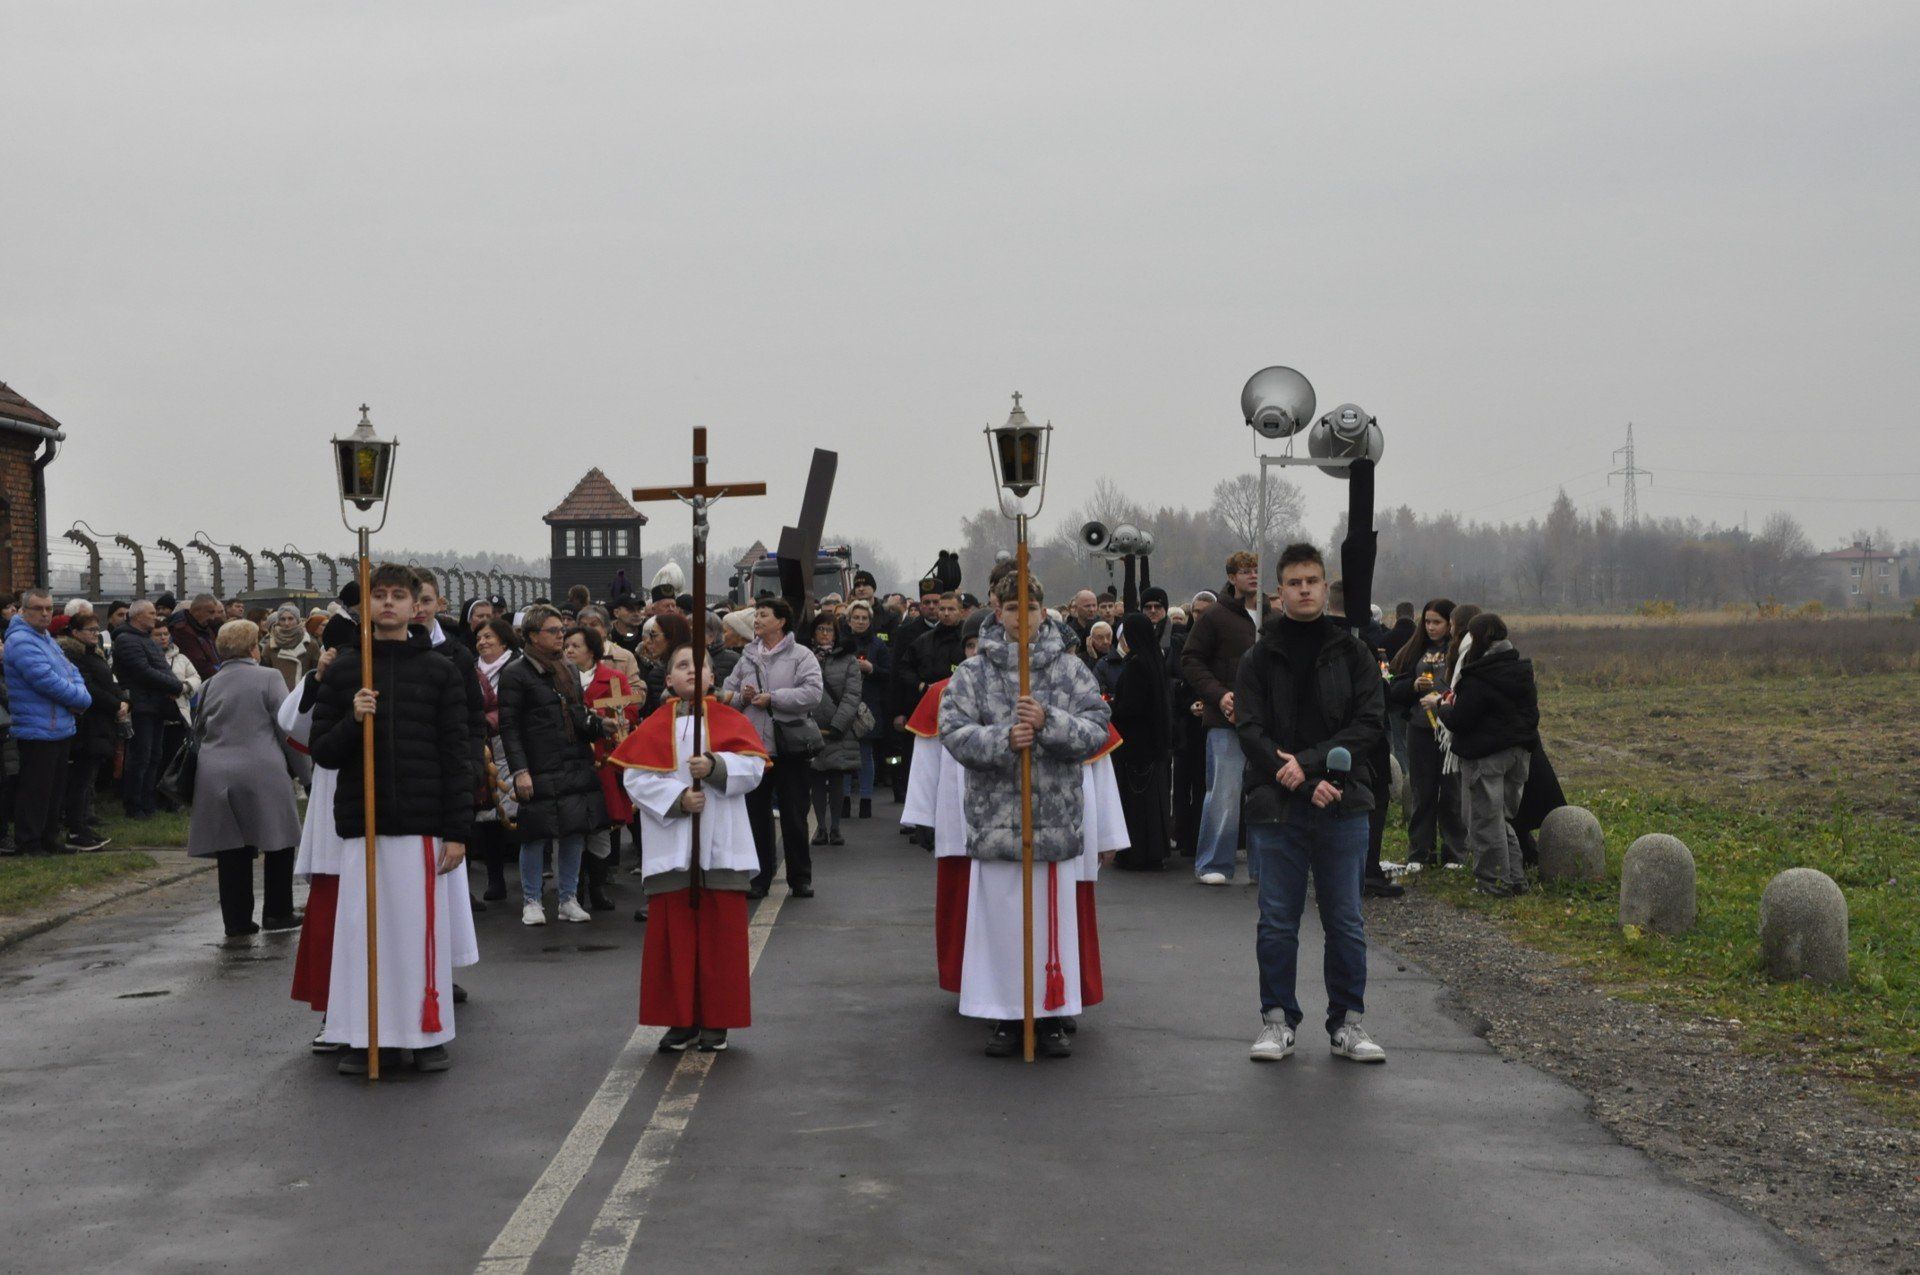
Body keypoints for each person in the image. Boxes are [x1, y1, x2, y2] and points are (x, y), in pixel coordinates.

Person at [310, 563, 474, 1074]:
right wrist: (352, 719)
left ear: (415, 605)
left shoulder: (441, 670)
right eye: (377, 595)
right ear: (364, 605)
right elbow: (323, 752)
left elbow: (456, 754)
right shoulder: (344, 673)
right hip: (366, 824)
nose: (387, 604)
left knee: (416, 933)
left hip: (422, 825)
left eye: (398, 596)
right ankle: (365, 1037)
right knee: (365, 933)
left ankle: (424, 1037)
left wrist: (458, 831)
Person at [940, 569, 1111, 1059]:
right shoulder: (973, 672)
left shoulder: (1069, 668)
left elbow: (1098, 728)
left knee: (1051, 924)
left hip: (1053, 817)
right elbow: (952, 730)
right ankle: (1006, 1015)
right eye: (1012, 608)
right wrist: (1001, 739)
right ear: (999, 612)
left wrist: (1049, 722)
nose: (1022, 616)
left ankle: (1053, 1014)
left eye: (1030, 608)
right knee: (1001, 923)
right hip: (997, 819)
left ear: (1043, 612)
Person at [1236, 544, 1388, 1066]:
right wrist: (1300, 780)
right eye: (1294, 581)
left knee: (1344, 919)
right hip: (1278, 806)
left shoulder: (1354, 653)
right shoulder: (1258, 657)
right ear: (1278, 592)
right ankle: (1276, 1022)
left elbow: (1369, 724)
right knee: (1278, 919)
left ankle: (1348, 1023)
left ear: (1326, 588)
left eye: (1313, 580)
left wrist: (1310, 765)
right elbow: (1250, 731)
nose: (1304, 589)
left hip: (1344, 804)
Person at [614, 641, 768, 1052]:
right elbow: (635, 778)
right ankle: (679, 1020)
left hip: (720, 846)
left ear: (713, 677)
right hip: (673, 850)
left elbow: (753, 768)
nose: (691, 672)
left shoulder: (730, 719)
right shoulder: (654, 725)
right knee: (675, 943)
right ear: (668, 679)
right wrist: (679, 799)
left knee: (722, 942)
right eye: (681, 665)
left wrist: (717, 767)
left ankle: (717, 1020)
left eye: (699, 666)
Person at [189, 620, 307, 938]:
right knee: (279, 841)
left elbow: (198, 731)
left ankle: (237, 921)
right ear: (253, 648)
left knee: (231, 848)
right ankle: (278, 912)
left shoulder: (208, 684)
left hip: (215, 774)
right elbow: (287, 728)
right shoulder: (268, 678)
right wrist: (305, 774)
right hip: (262, 770)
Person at [499, 605, 611, 926]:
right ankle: (532, 900)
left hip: (573, 760)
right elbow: (510, 727)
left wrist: (599, 726)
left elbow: (577, 713)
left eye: (562, 630)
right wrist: (520, 771)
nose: (562, 635)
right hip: (537, 765)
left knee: (574, 832)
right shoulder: (515, 674)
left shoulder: (569, 669)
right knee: (536, 834)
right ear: (532, 635)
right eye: (554, 631)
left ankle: (568, 899)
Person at [719, 596, 823, 898]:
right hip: (754, 749)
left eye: (764, 615)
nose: (757, 620)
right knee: (756, 817)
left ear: (781, 621)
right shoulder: (746, 656)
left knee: (794, 815)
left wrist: (773, 698)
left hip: (790, 748)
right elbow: (728, 690)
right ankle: (758, 878)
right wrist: (743, 698)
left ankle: (800, 878)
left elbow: (813, 693)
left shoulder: (802, 655)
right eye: (757, 616)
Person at [1430, 612, 1539, 897]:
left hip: (1486, 756)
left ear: (1478, 639)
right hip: (1519, 754)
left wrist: (1441, 706)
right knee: (1501, 818)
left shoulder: (1479, 676)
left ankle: (1493, 884)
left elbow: (1460, 720)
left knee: (1484, 821)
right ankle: (1515, 878)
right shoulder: (1520, 670)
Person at [1180, 551, 1263, 885]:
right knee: (1225, 792)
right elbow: (1191, 659)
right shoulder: (1215, 616)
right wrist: (1218, 694)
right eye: (1246, 571)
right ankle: (1213, 862)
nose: (1253, 576)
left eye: (1257, 570)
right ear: (1232, 577)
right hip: (1225, 717)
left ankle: (1264, 866)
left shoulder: (1271, 614)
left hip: (1265, 719)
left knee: (1264, 793)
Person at [4, 589, 90, 856]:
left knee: (54, 790)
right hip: (36, 727)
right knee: (36, 790)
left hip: (59, 725)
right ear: (23, 610)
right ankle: (29, 841)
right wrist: (81, 699)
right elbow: (45, 681)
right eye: (38, 608)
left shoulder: (46, 639)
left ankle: (50, 838)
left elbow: (71, 671)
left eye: (49, 608)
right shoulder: (21, 640)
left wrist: (81, 695)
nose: (44, 613)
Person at [565, 623, 640, 912]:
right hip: (572, 758)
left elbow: (629, 711)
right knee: (574, 825)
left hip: (602, 759)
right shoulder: (560, 676)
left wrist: (604, 718)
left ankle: (596, 886)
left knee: (600, 824)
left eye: (576, 646)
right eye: (567, 645)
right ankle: (574, 888)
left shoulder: (613, 679)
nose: (570, 651)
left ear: (592, 651)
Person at [1385, 599, 1465, 868]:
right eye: (1427, 622)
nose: (1431, 627)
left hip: (1449, 731)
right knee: (1422, 791)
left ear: (1449, 624)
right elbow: (1392, 687)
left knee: (1451, 792)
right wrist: (1412, 686)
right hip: (1419, 729)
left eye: (1437, 622)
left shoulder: (1459, 652)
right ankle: (1421, 852)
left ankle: (1455, 852)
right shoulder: (1414, 650)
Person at [58, 614, 126, 851]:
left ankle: (83, 824)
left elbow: (109, 680)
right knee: (81, 779)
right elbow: (90, 689)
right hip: (88, 725)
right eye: (90, 630)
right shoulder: (73, 656)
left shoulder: (93, 653)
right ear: (75, 632)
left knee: (88, 780)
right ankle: (76, 827)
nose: (95, 634)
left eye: (97, 630)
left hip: (103, 723)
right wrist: (115, 704)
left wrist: (122, 700)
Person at [1108, 613, 1171, 871]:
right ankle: (1153, 850)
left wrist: (1111, 705)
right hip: (1151, 744)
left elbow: (1131, 707)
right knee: (1149, 801)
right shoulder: (1154, 661)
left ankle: (1136, 853)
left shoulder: (1136, 665)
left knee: (1135, 802)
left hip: (1135, 745)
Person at [112, 600, 183, 819]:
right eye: (151, 613)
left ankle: (148, 801)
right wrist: (173, 685)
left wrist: (174, 684)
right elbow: (143, 671)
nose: (155, 616)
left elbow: (161, 666)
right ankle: (134, 804)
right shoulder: (127, 640)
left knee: (154, 755)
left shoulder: (144, 638)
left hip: (156, 704)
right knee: (140, 757)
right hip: (141, 705)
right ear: (137, 616)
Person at [468, 617, 522, 903]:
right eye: (479, 638)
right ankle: (495, 878)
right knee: (488, 815)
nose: (483, 642)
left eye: (489, 637)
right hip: (485, 748)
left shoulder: (517, 667)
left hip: (514, 746)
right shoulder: (472, 671)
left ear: (504, 640)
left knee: (521, 813)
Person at [806, 612, 864, 847]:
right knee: (817, 778)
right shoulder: (805, 657)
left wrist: (838, 724)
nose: (825, 634)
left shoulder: (848, 659)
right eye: (820, 629)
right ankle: (820, 827)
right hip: (812, 727)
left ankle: (836, 827)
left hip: (839, 728)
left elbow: (852, 695)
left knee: (837, 776)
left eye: (829, 630)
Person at [844, 599, 891, 819]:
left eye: (864, 618)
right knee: (843, 755)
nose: (860, 622)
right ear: (849, 620)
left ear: (870, 621)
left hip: (869, 704)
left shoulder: (878, 646)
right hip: (843, 703)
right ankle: (843, 799)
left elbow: (888, 673)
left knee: (865, 754)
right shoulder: (841, 642)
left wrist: (871, 669)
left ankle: (865, 800)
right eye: (856, 618)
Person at [262, 604, 322, 691]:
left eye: (290, 618)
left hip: (303, 694)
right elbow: (265, 675)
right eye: (283, 619)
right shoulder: (270, 646)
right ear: (278, 621)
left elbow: (317, 672)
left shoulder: (310, 644)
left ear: (297, 620)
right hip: (279, 695)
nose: (286, 623)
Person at [169, 594, 223, 679]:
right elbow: (199, 664)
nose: (213, 618)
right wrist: (221, 677)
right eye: (210, 612)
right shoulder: (182, 630)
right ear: (196, 610)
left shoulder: (205, 627)